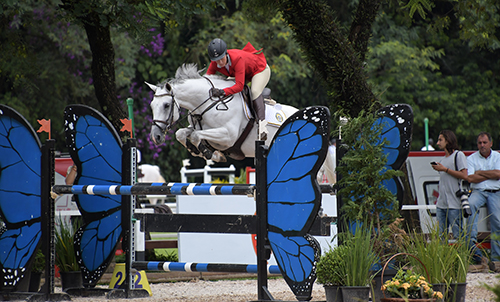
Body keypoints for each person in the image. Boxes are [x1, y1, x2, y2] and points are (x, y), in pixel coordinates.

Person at [206, 38, 271, 140]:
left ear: (226, 53)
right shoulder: (215, 63)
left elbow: (239, 86)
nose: (220, 62)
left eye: (221, 58)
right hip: (243, 72)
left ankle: (262, 127)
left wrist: (222, 92)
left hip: (259, 70)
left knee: (254, 91)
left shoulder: (237, 59)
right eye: (216, 60)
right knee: (226, 85)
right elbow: (207, 79)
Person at [467, 132, 500, 269]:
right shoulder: (471, 158)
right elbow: (470, 178)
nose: (482, 145)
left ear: (491, 143)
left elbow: (498, 175)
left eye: (485, 142)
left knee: (498, 222)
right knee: (470, 205)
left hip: (495, 192)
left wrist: (479, 172)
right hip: (478, 191)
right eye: (480, 143)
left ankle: (496, 259)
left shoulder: (498, 156)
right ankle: (475, 251)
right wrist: (490, 174)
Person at [430, 130, 467, 239]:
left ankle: (474, 255)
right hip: (441, 204)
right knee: (441, 236)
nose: (438, 143)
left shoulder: (459, 155)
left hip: (454, 203)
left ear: (448, 140)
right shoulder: (443, 160)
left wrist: (445, 169)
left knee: (458, 234)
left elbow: (464, 175)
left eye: (440, 140)